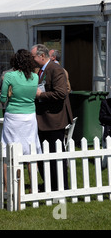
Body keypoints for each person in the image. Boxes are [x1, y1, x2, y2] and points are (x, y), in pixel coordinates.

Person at [0, 49, 42, 191]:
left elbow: (3, 99)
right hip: (30, 116)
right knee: (30, 149)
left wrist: (4, 95)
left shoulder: (9, 76)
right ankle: (33, 185)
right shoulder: (35, 77)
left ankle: (6, 187)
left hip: (13, 116)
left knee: (6, 149)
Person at [31, 44, 73, 191]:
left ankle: (61, 186)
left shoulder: (56, 70)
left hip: (54, 120)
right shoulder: (40, 71)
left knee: (56, 157)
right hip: (43, 120)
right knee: (44, 156)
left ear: (42, 56)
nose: (32, 59)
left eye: (33, 56)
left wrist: (40, 95)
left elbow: (61, 93)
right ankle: (50, 184)